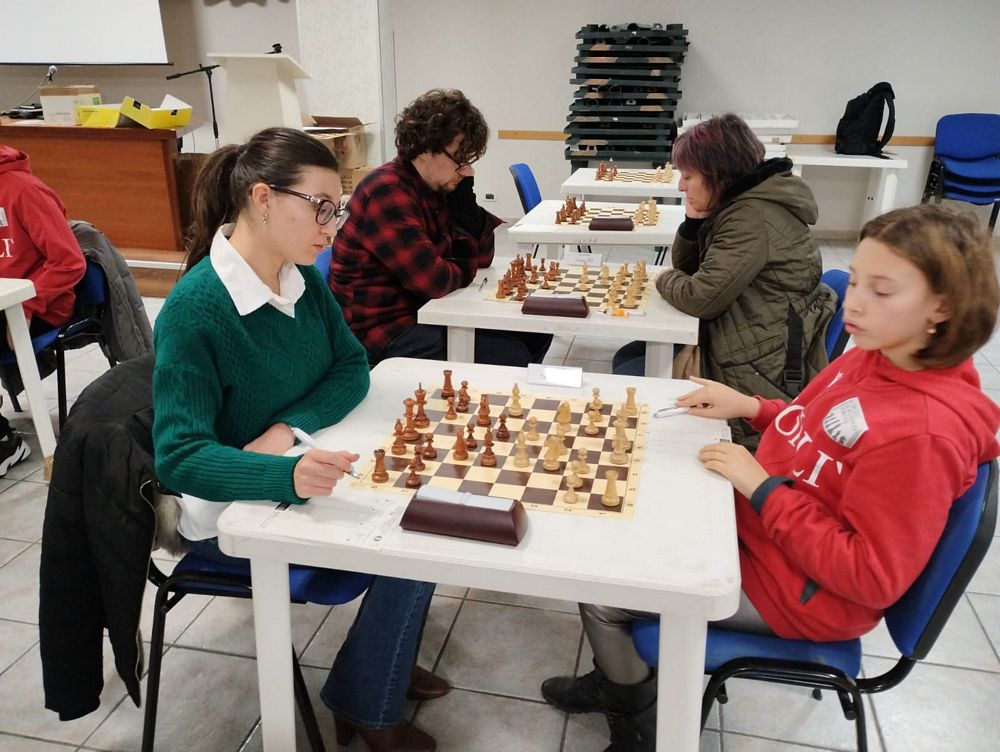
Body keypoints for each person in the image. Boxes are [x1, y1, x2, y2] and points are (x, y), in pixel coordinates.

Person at [544, 205, 1000, 752]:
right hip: (765, 539)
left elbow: (871, 577)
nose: (853, 302)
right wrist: (753, 408)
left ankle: (637, 725)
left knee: (599, 589)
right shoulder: (878, 356)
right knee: (627, 506)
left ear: (942, 308)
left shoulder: (923, 435)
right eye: (856, 280)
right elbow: (816, 431)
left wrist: (762, 488)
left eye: (882, 290)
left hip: (803, 594)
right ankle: (625, 678)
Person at [152, 127, 443, 752]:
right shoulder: (196, 309)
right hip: (229, 507)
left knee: (429, 497)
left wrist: (285, 431)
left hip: (294, 460)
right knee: (413, 531)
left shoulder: (300, 280)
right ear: (263, 199)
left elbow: (352, 368)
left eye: (337, 209)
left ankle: (379, 664)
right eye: (320, 207)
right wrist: (280, 472)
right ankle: (371, 696)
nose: (332, 228)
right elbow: (178, 457)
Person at [612, 114, 836, 448]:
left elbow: (698, 297)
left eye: (688, 176)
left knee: (632, 373)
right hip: (750, 338)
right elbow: (693, 270)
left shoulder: (750, 218)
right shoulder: (742, 204)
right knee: (630, 356)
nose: (680, 186)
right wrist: (693, 224)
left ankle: (655, 458)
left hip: (756, 367)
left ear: (717, 175)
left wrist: (662, 278)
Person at [329, 88, 552, 367]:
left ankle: (490, 388)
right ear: (425, 148)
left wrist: (465, 205)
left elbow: (483, 258)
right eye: (460, 159)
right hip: (380, 330)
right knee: (509, 355)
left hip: (424, 309)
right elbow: (434, 281)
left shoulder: (436, 186)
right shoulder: (387, 191)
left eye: (469, 161)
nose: (466, 170)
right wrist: (464, 265)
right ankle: (473, 391)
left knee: (537, 330)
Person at [0, 144, 86, 474]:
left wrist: (27, 306)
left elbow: (69, 262)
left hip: (41, 305)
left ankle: (4, 442)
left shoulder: (24, 191)